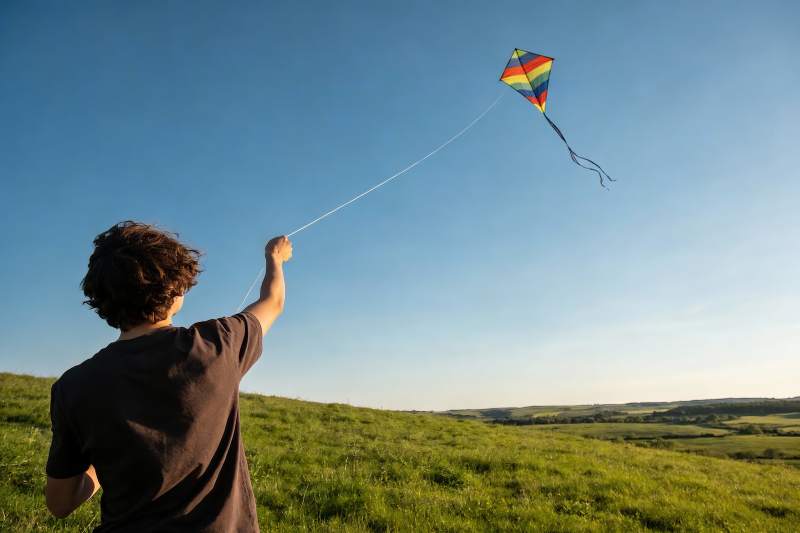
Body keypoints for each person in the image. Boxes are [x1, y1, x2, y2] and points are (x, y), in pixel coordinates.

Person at [44, 221, 292, 532]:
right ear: (176, 289)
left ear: (102, 298)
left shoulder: (73, 387)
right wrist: (274, 258)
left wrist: (95, 467)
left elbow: (60, 503)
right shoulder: (217, 344)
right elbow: (273, 301)